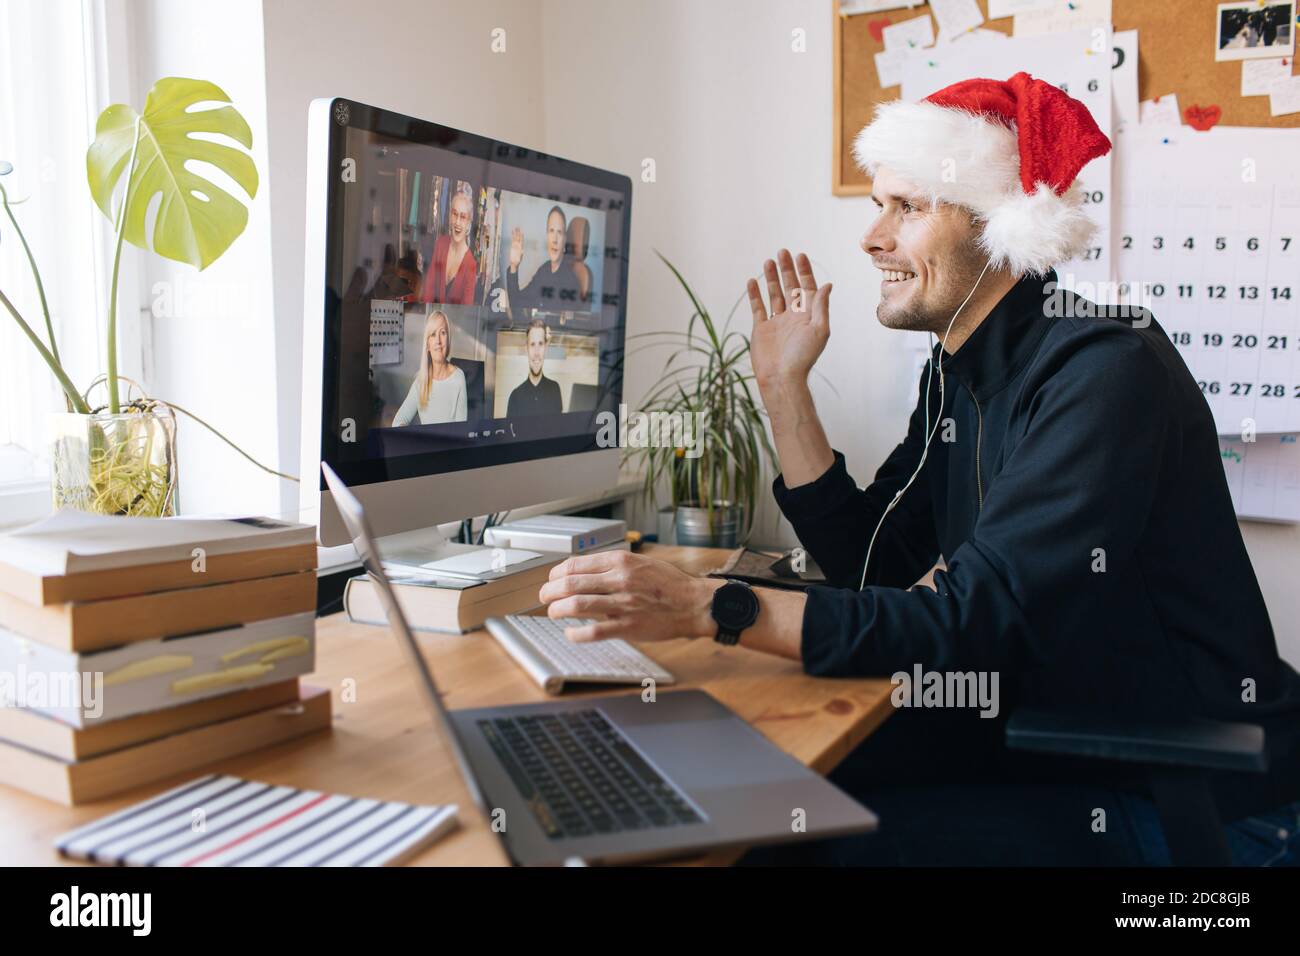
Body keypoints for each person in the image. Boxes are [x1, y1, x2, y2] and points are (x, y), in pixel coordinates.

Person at [536, 72, 1300, 866]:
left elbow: (976, 623)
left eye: (909, 207)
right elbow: (875, 564)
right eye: (879, 205)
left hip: (1193, 807)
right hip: (1061, 746)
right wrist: (782, 389)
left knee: (779, 844)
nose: (873, 238)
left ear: (998, 223)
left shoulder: (1104, 373)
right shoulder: (955, 374)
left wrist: (715, 606)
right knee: (753, 784)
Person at [392, 310, 467, 425]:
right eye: (433, 334)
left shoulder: (458, 377)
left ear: (448, 339)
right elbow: (398, 421)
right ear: (427, 345)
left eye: (443, 333)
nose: (438, 341)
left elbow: (462, 430)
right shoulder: (420, 380)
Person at [506, 205, 584, 311]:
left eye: (559, 232)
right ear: (547, 236)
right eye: (551, 231)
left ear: (565, 240)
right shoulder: (544, 270)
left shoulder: (571, 283)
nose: (555, 240)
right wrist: (514, 266)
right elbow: (516, 302)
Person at [421, 189, 477, 305]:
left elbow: (466, 310)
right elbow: (429, 288)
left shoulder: (471, 264)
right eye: (455, 214)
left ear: (468, 223)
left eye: (463, 217)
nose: (457, 222)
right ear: (450, 216)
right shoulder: (441, 243)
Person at [506, 318, 563, 417]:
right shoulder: (515, 397)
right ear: (526, 348)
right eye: (532, 344)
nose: (536, 353)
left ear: (545, 348)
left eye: (540, 344)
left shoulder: (555, 389)